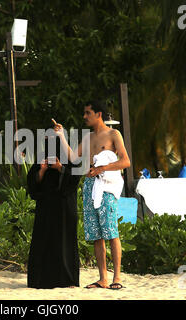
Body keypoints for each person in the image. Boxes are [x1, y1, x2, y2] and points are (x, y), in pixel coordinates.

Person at [53, 100, 130, 290]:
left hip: (106, 188)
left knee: (111, 231)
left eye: (88, 113)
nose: (85, 116)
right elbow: (72, 157)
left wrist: (102, 168)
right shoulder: (87, 138)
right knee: (96, 235)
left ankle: (117, 278)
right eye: (85, 113)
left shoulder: (114, 134)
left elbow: (125, 161)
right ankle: (103, 278)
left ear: (98, 114)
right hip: (89, 187)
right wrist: (61, 136)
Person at [26, 130, 81, 289]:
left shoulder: (71, 157)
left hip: (64, 207)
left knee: (64, 243)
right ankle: (41, 280)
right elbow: (33, 182)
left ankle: (67, 280)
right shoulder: (42, 156)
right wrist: (42, 170)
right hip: (46, 206)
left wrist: (60, 168)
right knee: (44, 240)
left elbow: (75, 176)